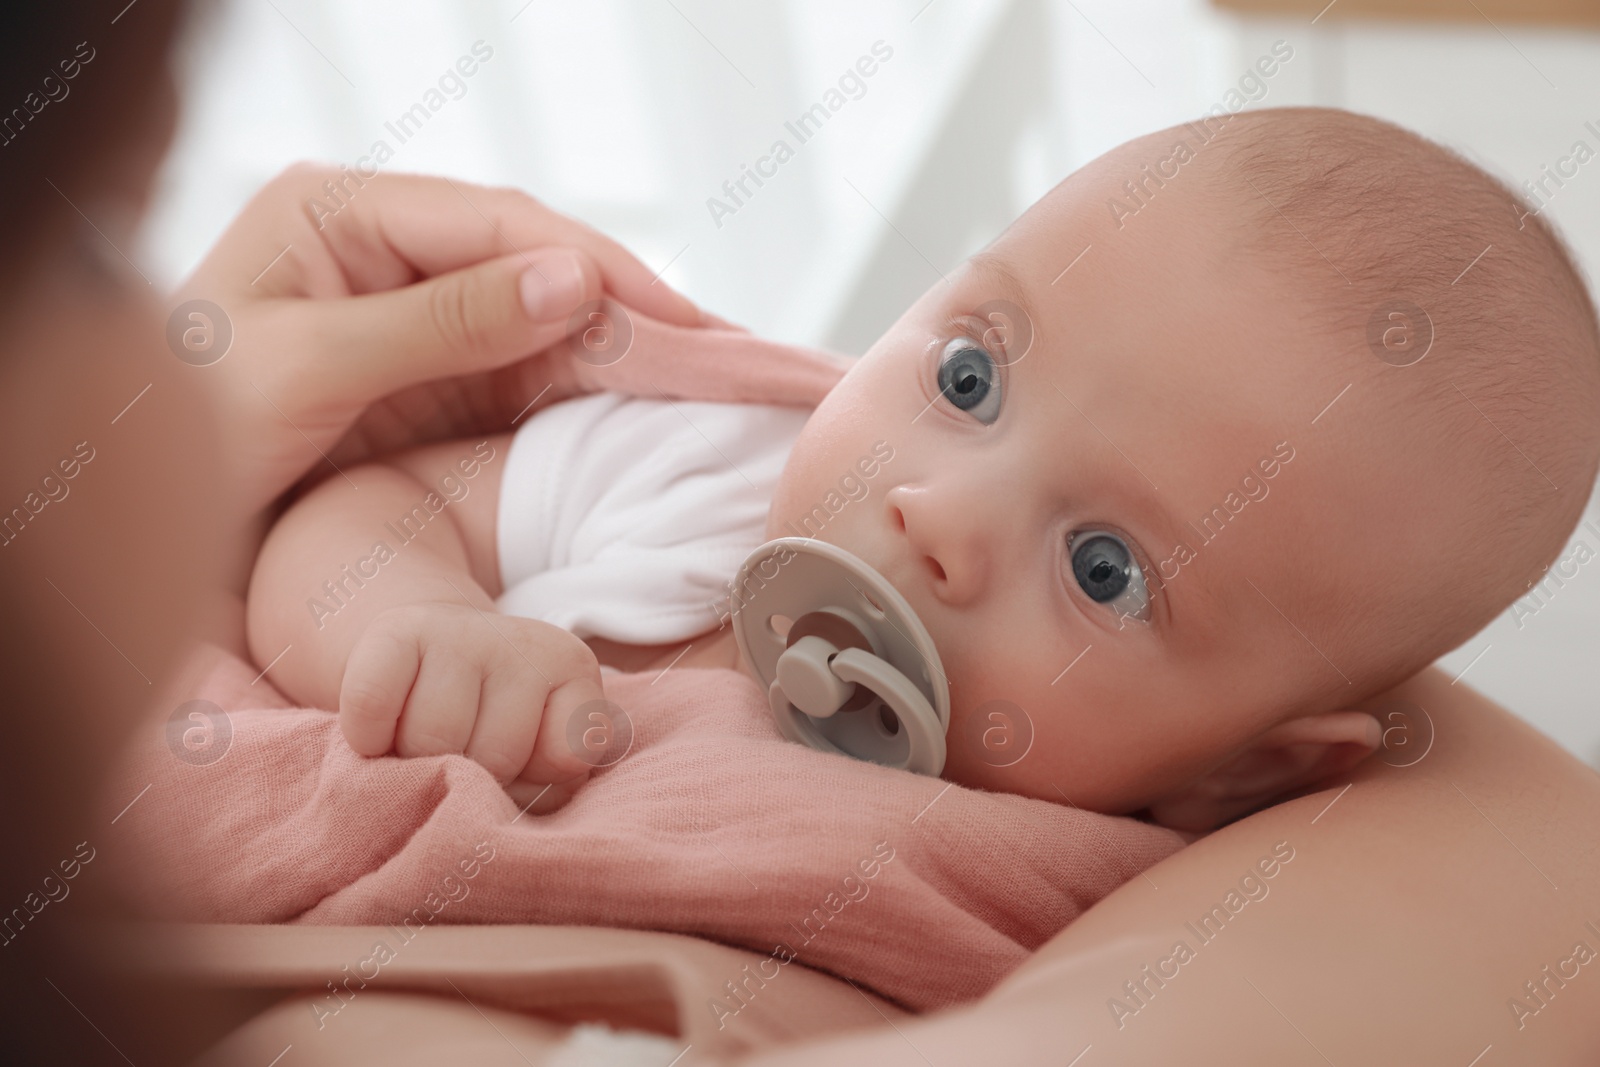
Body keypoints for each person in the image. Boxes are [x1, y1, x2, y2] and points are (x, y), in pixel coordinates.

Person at [1, 3, 1596, 1063]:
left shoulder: (1164, 885)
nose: (938, 512)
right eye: (969, 375)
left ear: (1249, 764)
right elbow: (386, 500)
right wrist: (403, 621)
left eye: (1107, 569)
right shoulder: (705, 469)